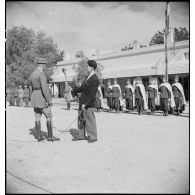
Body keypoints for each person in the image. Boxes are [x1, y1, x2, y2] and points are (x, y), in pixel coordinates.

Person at [30, 58, 60, 142]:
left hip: (34, 97)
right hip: (41, 97)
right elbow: (44, 88)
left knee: (37, 116)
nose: (45, 67)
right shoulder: (41, 73)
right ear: (42, 65)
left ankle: (39, 137)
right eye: (45, 65)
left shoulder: (32, 74)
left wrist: (32, 98)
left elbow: (31, 87)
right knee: (49, 116)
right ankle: (50, 137)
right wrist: (49, 100)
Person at [71, 60, 100, 143]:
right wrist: (73, 90)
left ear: (92, 67)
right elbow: (81, 88)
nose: (87, 67)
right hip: (82, 101)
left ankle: (93, 137)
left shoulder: (95, 79)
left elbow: (92, 93)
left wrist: (86, 103)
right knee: (80, 119)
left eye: (88, 66)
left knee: (90, 120)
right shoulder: (87, 77)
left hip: (88, 103)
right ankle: (81, 136)